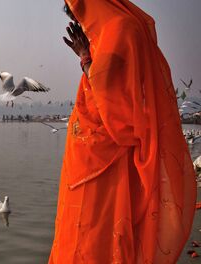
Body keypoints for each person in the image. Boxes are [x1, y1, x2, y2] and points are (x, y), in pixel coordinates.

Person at [49, 1, 195, 263]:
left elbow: (107, 89)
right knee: (96, 223)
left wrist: (84, 57)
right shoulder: (119, 29)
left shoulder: (119, 29)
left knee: (95, 225)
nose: (82, 26)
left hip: (106, 150)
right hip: (97, 148)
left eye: (80, 18)